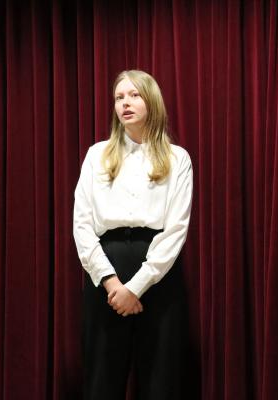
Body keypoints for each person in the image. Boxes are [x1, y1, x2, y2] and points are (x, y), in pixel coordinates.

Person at [73, 69, 192, 399]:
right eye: (119, 97)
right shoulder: (97, 155)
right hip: (105, 273)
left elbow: (176, 229)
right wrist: (112, 284)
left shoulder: (177, 158)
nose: (125, 103)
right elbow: (82, 224)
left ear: (151, 101)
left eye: (134, 95)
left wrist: (136, 287)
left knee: (160, 381)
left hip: (158, 274)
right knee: (102, 381)